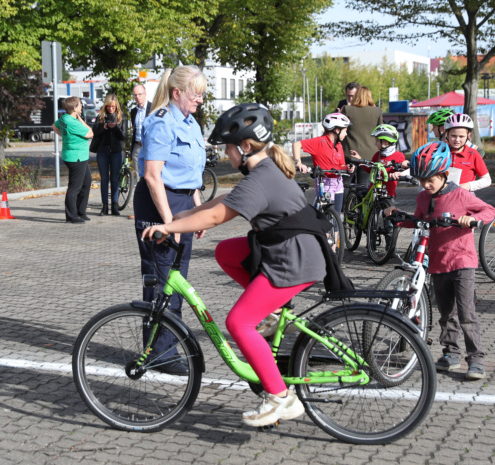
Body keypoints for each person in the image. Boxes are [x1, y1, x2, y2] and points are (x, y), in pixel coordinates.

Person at [143, 103, 350, 427]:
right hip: (288, 250)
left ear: (244, 146)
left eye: (228, 147)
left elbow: (216, 216)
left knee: (238, 323)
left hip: (292, 260)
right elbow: (223, 202)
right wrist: (181, 216)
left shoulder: (261, 178)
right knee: (226, 252)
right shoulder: (264, 170)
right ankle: (272, 316)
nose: (226, 153)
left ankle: (280, 397)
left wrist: (168, 228)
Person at [385, 141, 495, 380]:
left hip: (463, 261)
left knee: (466, 313)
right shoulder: (424, 198)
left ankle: (476, 359)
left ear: (444, 175)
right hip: (437, 262)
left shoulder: (461, 195)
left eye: (430, 180)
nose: (425, 185)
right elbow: (418, 219)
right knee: (446, 313)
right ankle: (450, 353)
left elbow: (489, 210)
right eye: (421, 180)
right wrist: (397, 217)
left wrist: (472, 220)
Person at [134, 65, 207, 375]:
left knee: (178, 279)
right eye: (196, 94)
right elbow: (152, 176)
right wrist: (168, 222)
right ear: (177, 93)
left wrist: (198, 208)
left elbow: (191, 176)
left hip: (182, 201)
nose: (201, 99)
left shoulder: (190, 123)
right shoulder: (160, 123)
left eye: (203, 94)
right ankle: (158, 353)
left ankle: (164, 346)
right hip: (158, 203)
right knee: (163, 280)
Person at [293, 112, 356, 215]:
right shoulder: (319, 142)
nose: (346, 134)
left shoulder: (339, 145)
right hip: (324, 183)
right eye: (345, 130)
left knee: (337, 218)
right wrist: (299, 163)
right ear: (337, 130)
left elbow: (340, 166)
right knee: (326, 218)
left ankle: (336, 232)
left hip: (338, 183)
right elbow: (296, 145)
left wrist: (347, 168)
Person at [52, 96, 94, 224]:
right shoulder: (73, 122)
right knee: (75, 187)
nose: (82, 106)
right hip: (76, 158)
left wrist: (65, 136)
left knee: (86, 182)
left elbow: (54, 126)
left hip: (78, 156)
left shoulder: (65, 118)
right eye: (80, 104)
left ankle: (81, 211)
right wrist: (80, 119)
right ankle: (71, 216)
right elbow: (90, 133)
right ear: (75, 108)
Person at [92, 94, 128, 216]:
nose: (110, 108)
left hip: (116, 152)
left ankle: (114, 205)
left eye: (113, 106)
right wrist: (105, 127)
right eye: (108, 106)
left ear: (116, 105)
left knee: (115, 179)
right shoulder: (100, 117)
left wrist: (115, 127)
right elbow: (95, 133)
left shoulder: (121, 118)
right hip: (103, 151)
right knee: (104, 179)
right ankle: (104, 206)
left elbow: (123, 136)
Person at [342, 86, 383, 186]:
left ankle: (345, 201)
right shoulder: (377, 111)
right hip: (370, 154)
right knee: (364, 184)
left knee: (346, 183)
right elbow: (381, 131)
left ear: (356, 96)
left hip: (349, 153)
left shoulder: (347, 109)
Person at [443, 113, 491, 193]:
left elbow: (487, 180)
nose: (457, 140)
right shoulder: (441, 152)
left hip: (465, 195)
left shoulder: (473, 154)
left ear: (468, 135)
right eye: (453, 136)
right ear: (447, 134)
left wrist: (468, 185)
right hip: (443, 195)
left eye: (461, 136)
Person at [369, 124, 410, 199]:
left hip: (389, 192)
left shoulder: (399, 156)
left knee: (388, 208)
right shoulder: (377, 155)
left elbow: (403, 170)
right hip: (374, 190)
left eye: (377, 141)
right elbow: (370, 169)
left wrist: (406, 164)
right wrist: (360, 160)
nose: (375, 143)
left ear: (386, 142)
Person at [130, 84, 152, 172]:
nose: (137, 97)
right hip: (137, 145)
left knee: (149, 173)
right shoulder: (134, 111)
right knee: (138, 173)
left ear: (145, 94)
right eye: (135, 95)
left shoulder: (153, 108)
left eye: (140, 94)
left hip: (149, 145)